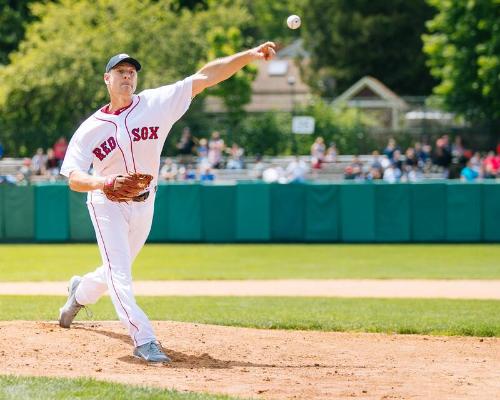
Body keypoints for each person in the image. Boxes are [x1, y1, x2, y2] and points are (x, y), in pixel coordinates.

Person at [58, 43, 277, 364]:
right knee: (120, 276)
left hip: (145, 203)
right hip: (107, 202)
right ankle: (144, 339)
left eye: (132, 72)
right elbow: (74, 177)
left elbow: (206, 76)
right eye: (121, 72)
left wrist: (249, 56)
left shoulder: (156, 103)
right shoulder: (89, 128)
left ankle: (79, 292)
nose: (127, 77)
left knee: (113, 273)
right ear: (107, 79)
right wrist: (102, 182)